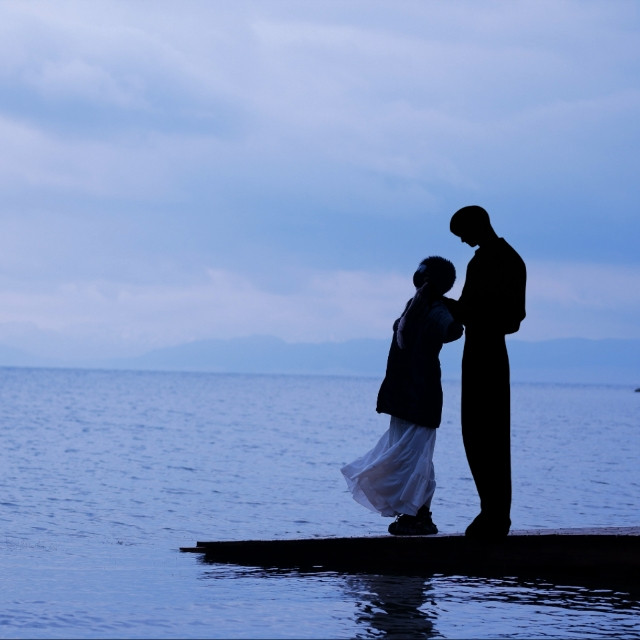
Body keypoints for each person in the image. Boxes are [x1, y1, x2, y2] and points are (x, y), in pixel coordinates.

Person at [341, 256, 463, 535]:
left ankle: (416, 514)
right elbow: (453, 331)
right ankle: (416, 514)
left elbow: (448, 331)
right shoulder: (430, 307)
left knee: (413, 457)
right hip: (416, 396)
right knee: (416, 457)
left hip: (410, 395)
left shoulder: (425, 308)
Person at [446, 205, 526, 539]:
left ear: (477, 226)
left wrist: (453, 308)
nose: (463, 241)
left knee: (487, 433)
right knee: (478, 433)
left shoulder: (499, 260)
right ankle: (491, 511)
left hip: (489, 353)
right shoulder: (494, 259)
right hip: (479, 352)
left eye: (463, 234)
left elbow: (511, 318)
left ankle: (495, 514)